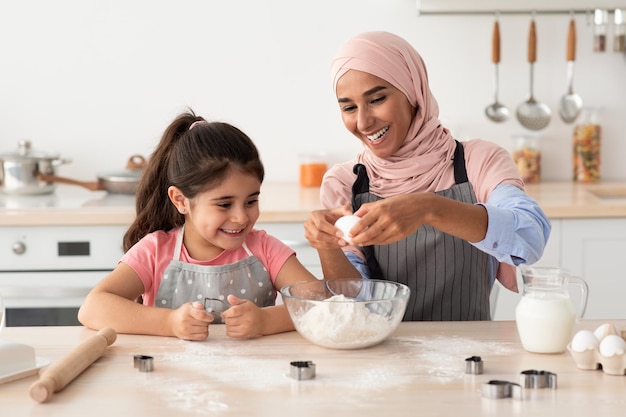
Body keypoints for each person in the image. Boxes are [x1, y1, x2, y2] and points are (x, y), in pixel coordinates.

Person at [304, 31, 551, 321]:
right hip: (380, 356)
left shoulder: (477, 161)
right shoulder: (345, 182)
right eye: (349, 107)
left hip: (469, 356)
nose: (362, 121)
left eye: (377, 99)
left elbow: (530, 235)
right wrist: (327, 245)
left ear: (413, 91)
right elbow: (352, 305)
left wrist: (429, 208)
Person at [78, 110, 318, 340]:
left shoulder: (264, 248)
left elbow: (319, 301)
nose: (242, 217)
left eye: (251, 201)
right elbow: (92, 308)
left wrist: (266, 321)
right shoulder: (155, 251)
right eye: (224, 204)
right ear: (181, 200)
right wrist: (169, 322)